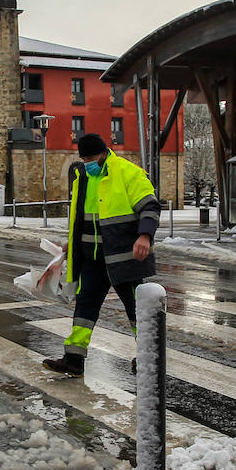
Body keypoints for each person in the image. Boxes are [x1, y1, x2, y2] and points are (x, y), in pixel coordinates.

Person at [43, 133, 161, 377]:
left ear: (105, 153)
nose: (88, 163)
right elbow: (84, 219)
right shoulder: (82, 178)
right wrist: (70, 244)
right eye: (84, 159)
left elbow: (150, 206)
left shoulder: (127, 172)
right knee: (84, 307)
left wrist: (145, 236)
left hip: (122, 258)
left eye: (91, 158)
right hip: (91, 259)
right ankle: (73, 359)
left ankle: (149, 357)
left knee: (136, 310)